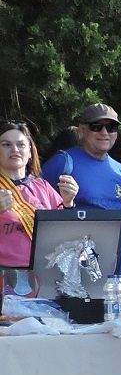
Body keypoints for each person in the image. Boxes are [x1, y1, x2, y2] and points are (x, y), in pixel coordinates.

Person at [45, 103, 121, 272]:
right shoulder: (63, 162)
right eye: (96, 126)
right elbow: (38, 212)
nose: (105, 133)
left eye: (111, 127)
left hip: (115, 275)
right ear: (82, 130)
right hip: (74, 275)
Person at [0, 123, 77, 292]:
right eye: (6, 144)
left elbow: (66, 235)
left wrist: (68, 203)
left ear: (29, 152)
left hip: (44, 277)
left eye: (20, 144)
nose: (14, 149)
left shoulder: (42, 186)